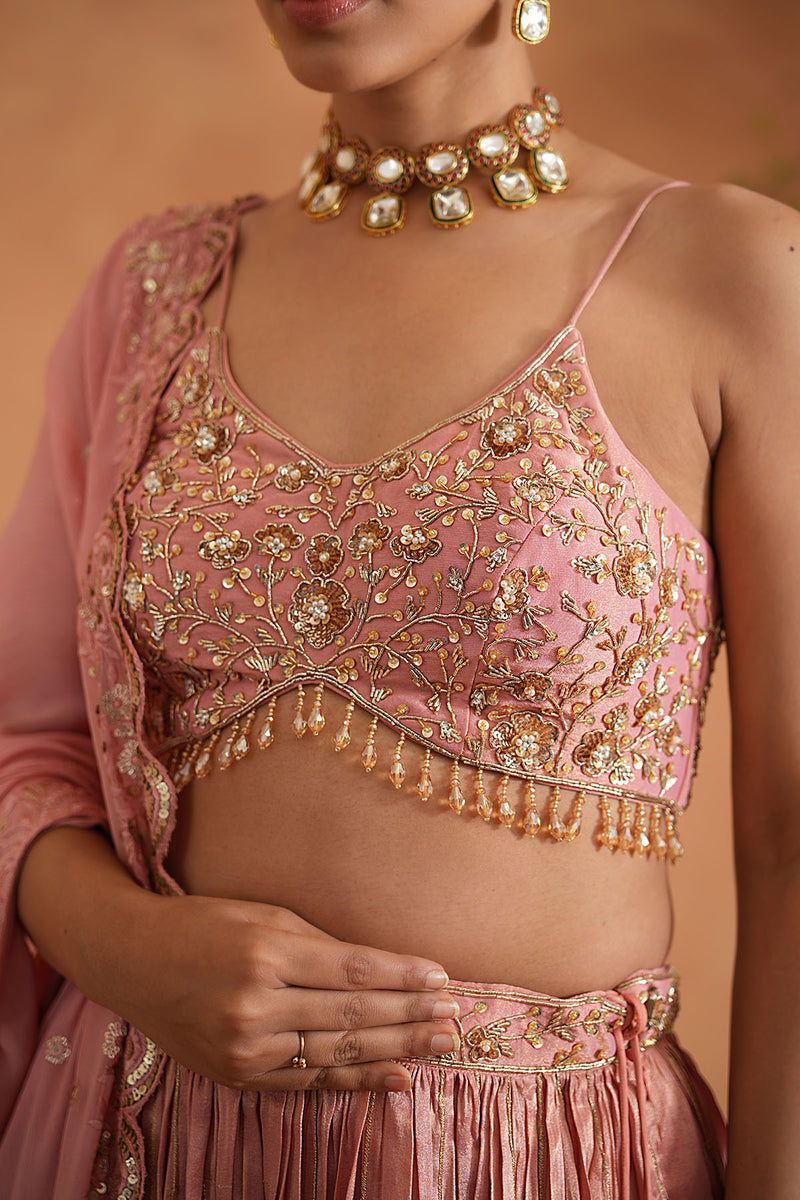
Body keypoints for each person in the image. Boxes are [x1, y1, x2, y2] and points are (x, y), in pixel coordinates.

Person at [0, 0, 798, 1196]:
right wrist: (123, 948)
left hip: (536, 1160)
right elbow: (25, 742)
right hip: (137, 1130)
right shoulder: (154, 288)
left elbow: (792, 837)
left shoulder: (740, 276)